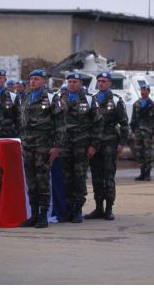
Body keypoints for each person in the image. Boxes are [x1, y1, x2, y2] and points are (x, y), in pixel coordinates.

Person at [19, 69, 66, 228]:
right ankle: (33, 214)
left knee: (43, 181)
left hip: (43, 146)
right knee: (31, 182)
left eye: (37, 79)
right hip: (28, 146)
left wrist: (57, 146)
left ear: (44, 81)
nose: (33, 81)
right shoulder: (25, 97)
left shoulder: (52, 98)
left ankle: (43, 215)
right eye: (31, 79)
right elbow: (23, 123)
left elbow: (60, 125)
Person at [85, 72, 130, 220]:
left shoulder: (116, 101)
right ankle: (99, 208)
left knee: (108, 176)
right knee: (96, 177)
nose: (101, 83)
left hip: (110, 143)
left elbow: (124, 124)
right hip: (95, 144)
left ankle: (109, 209)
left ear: (110, 83)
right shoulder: (92, 99)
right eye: (99, 81)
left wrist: (122, 143)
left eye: (104, 81)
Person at [59, 72, 102, 222]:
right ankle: (68, 209)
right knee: (66, 177)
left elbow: (98, 124)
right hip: (64, 145)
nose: (72, 84)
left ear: (81, 84)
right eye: (70, 81)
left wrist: (93, 146)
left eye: (75, 82)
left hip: (81, 145)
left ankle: (77, 209)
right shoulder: (60, 98)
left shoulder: (90, 99)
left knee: (79, 177)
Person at [129, 83, 154, 181]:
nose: (143, 92)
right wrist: (133, 131)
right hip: (138, 132)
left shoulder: (152, 105)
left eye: (145, 90)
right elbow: (133, 118)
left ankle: (148, 173)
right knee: (139, 153)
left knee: (148, 153)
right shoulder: (136, 104)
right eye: (142, 90)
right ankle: (142, 172)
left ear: (148, 91)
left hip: (148, 132)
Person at [0, 68, 21, 138]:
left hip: (8, 134)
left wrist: (17, 135)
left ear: (5, 80)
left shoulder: (12, 96)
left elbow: (18, 118)